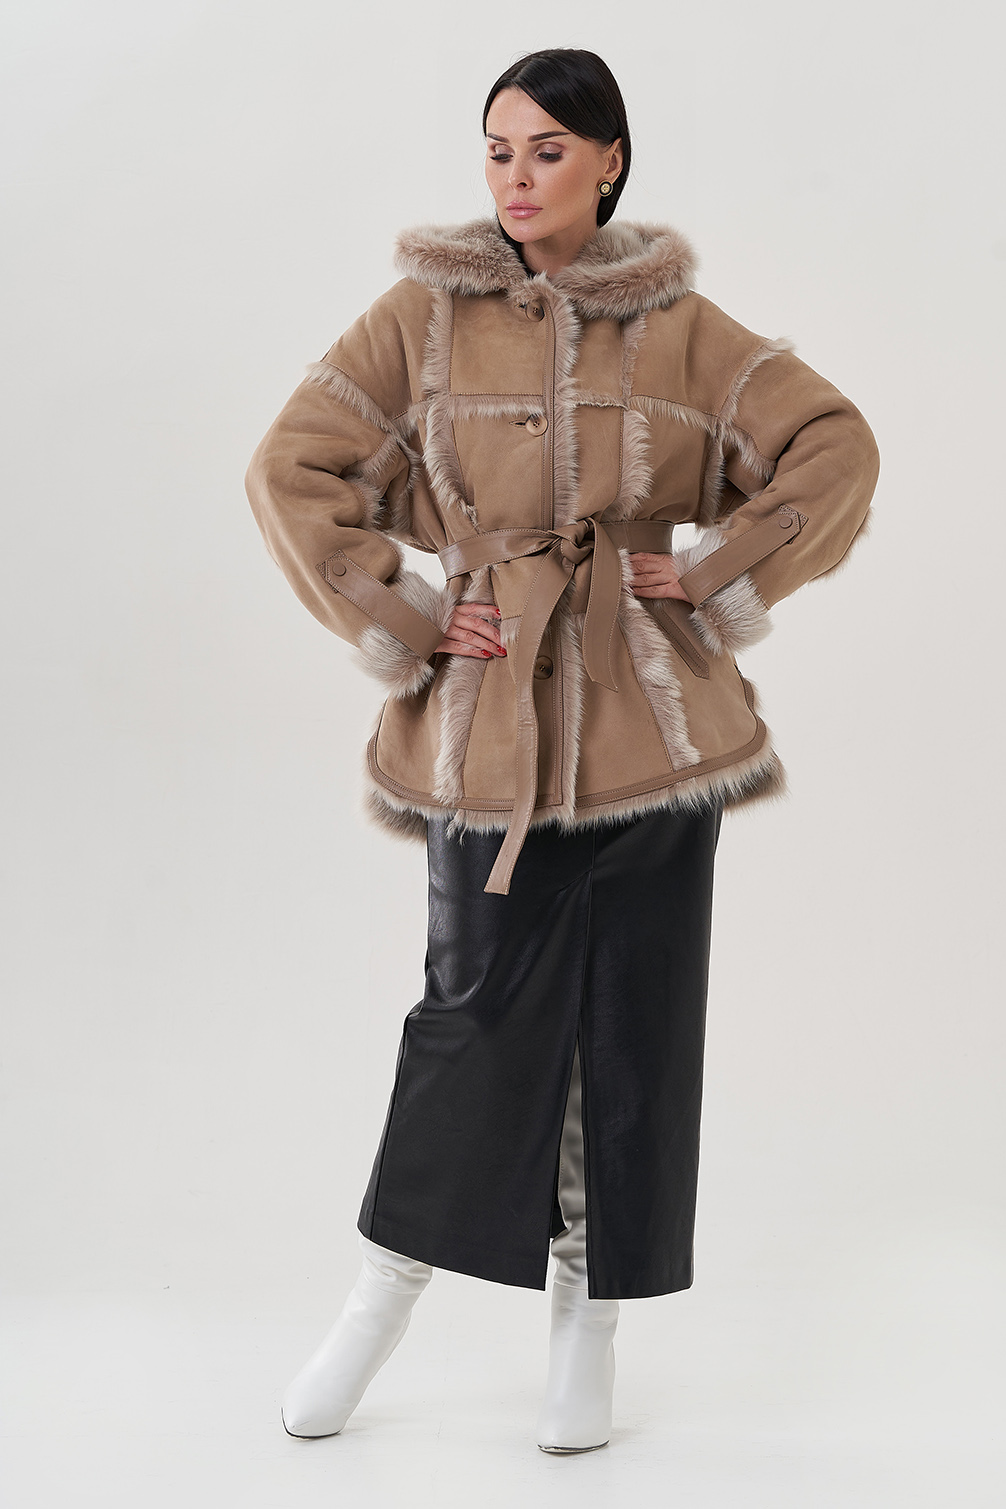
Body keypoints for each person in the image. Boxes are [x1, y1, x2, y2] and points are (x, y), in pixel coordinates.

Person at [244, 47, 880, 1454]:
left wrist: (707, 573)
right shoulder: (418, 317)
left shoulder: (684, 326)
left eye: (545, 149)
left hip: (653, 731)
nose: (516, 177)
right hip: (488, 732)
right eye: (497, 149)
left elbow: (833, 445)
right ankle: (377, 1304)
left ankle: (586, 1329)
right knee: (467, 1015)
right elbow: (289, 467)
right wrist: (413, 613)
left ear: (609, 160)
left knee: (635, 1038)